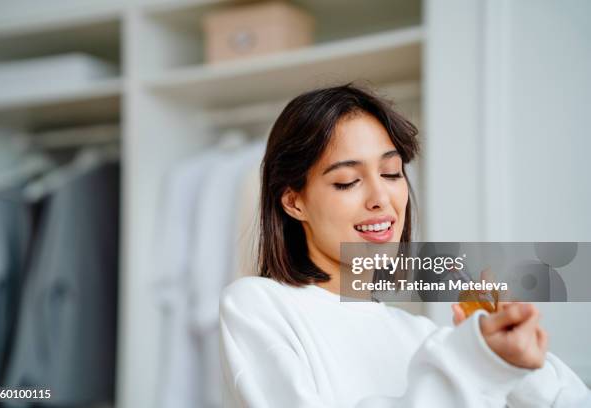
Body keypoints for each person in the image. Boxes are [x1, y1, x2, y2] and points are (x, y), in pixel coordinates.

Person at [218, 84, 590, 407]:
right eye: (348, 181)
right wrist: (473, 364)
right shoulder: (257, 305)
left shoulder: (422, 335)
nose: (382, 197)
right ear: (294, 201)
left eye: (392, 173)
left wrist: (514, 361)